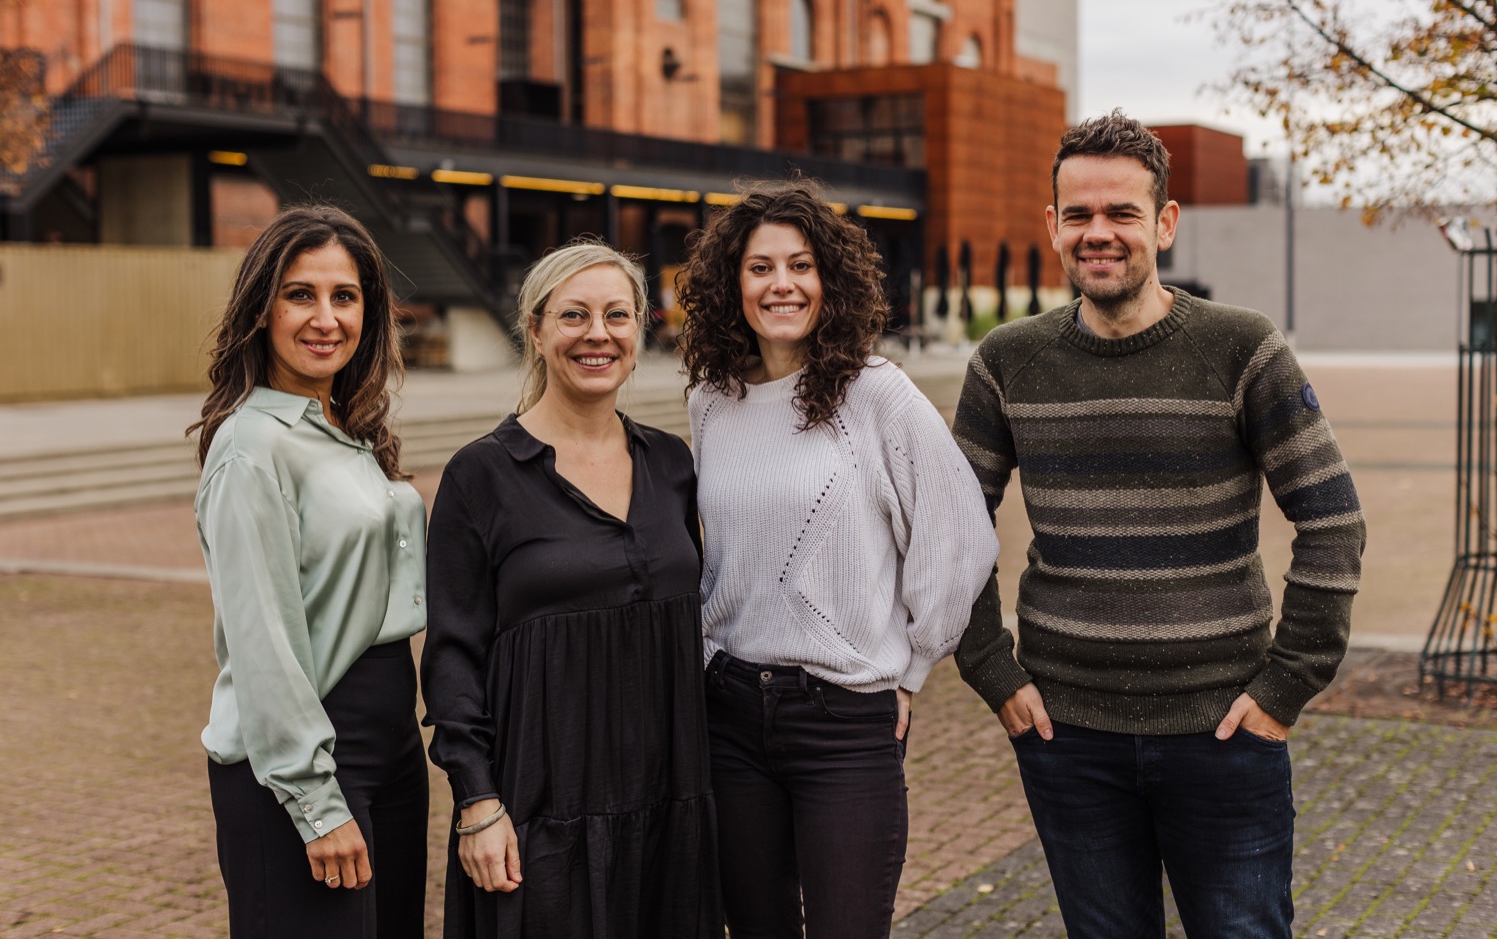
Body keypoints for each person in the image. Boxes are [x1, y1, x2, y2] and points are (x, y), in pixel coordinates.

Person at [953, 110, 1367, 938]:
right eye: (1079, 215)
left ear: (1164, 224)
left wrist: (1286, 687)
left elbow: (1332, 519)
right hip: (1065, 737)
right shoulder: (1007, 361)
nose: (1098, 234)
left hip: (1224, 733)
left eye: (1121, 214)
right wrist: (993, 672)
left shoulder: (1241, 348)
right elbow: (951, 530)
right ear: (1053, 226)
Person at [678, 182, 999, 938]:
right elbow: (716, 552)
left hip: (844, 719)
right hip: (726, 714)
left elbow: (960, 539)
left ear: (831, 280)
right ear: (733, 283)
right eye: (760, 268)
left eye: (800, 265)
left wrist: (914, 666)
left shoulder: (876, 395)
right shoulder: (711, 401)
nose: (781, 284)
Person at [421, 241, 721, 938]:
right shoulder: (482, 476)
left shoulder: (672, 464)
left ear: (640, 330)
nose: (598, 334)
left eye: (618, 315)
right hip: (541, 809)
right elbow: (452, 655)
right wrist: (477, 803)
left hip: (670, 800)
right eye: (574, 315)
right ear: (535, 328)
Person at [190, 204, 428, 938]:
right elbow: (261, 638)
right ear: (262, 309)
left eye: (345, 296)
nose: (325, 317)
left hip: (390, 743)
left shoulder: (345, 431)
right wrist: (317, 802)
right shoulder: (250, 447)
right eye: (301, 294)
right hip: (304, 754)